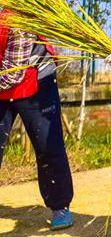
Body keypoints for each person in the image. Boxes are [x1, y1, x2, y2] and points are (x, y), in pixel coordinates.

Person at [0, 15, 74, 231]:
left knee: (47, 146)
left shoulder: (15, 19)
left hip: (32, 80)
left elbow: (12, 72)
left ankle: (60, 205)